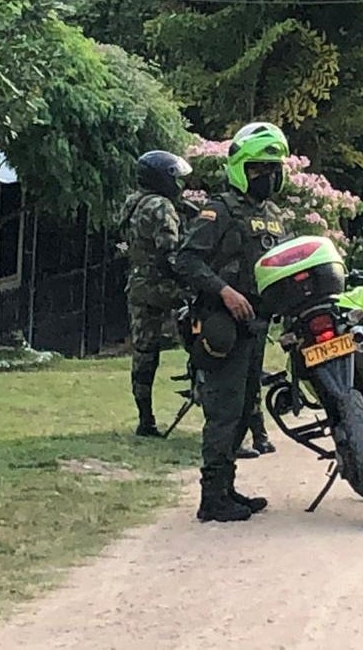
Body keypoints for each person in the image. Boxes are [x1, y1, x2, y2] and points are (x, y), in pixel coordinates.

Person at [174, 122, 291, 522]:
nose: (268, 176)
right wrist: (225, 291)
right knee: (223, 411)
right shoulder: (218, 211)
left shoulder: (273, 216)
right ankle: (211, 499)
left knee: (244, 410)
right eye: (260, 168)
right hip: (223, 323)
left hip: (257, 327)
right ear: (242, 168)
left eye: (274, 168)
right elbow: (186, 260)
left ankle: (228, 489)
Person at [119, 150, 193, 438]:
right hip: (165, 287)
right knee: (202, 334)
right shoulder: (161, 206)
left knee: (144, 352)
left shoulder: (133, 203)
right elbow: (170, 252)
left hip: (138, 284)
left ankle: (145, 419)